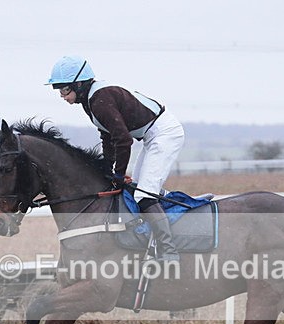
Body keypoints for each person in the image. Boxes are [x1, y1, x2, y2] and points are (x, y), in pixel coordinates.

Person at [46, 55, 184, 264]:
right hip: (151, 135)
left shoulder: (99, 100)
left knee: (144, 196)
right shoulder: (91, 101)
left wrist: (118, 174)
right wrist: (107, 169)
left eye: (65, 90)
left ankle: (169, 251)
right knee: (140, 189)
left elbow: (123, 140)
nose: (62, 96)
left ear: (79, 84)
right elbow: (107, 136)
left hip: (164, 133)